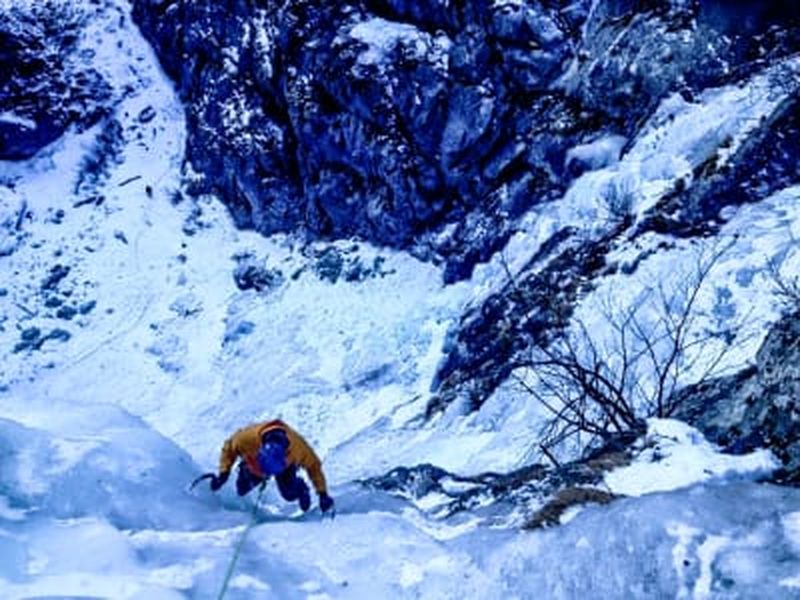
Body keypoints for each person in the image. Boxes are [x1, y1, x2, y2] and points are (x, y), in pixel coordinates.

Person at [201, 419, 334, 514]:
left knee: (289, 494)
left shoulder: (299, 449)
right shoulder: (247, 439)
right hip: (253, 462)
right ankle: (253, 471)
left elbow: (314, 467)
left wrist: (322, 493)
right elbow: (229, 448)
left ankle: (301, 489)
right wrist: (224, 473)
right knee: (242, 489)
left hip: (284, 467)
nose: (266, 475)